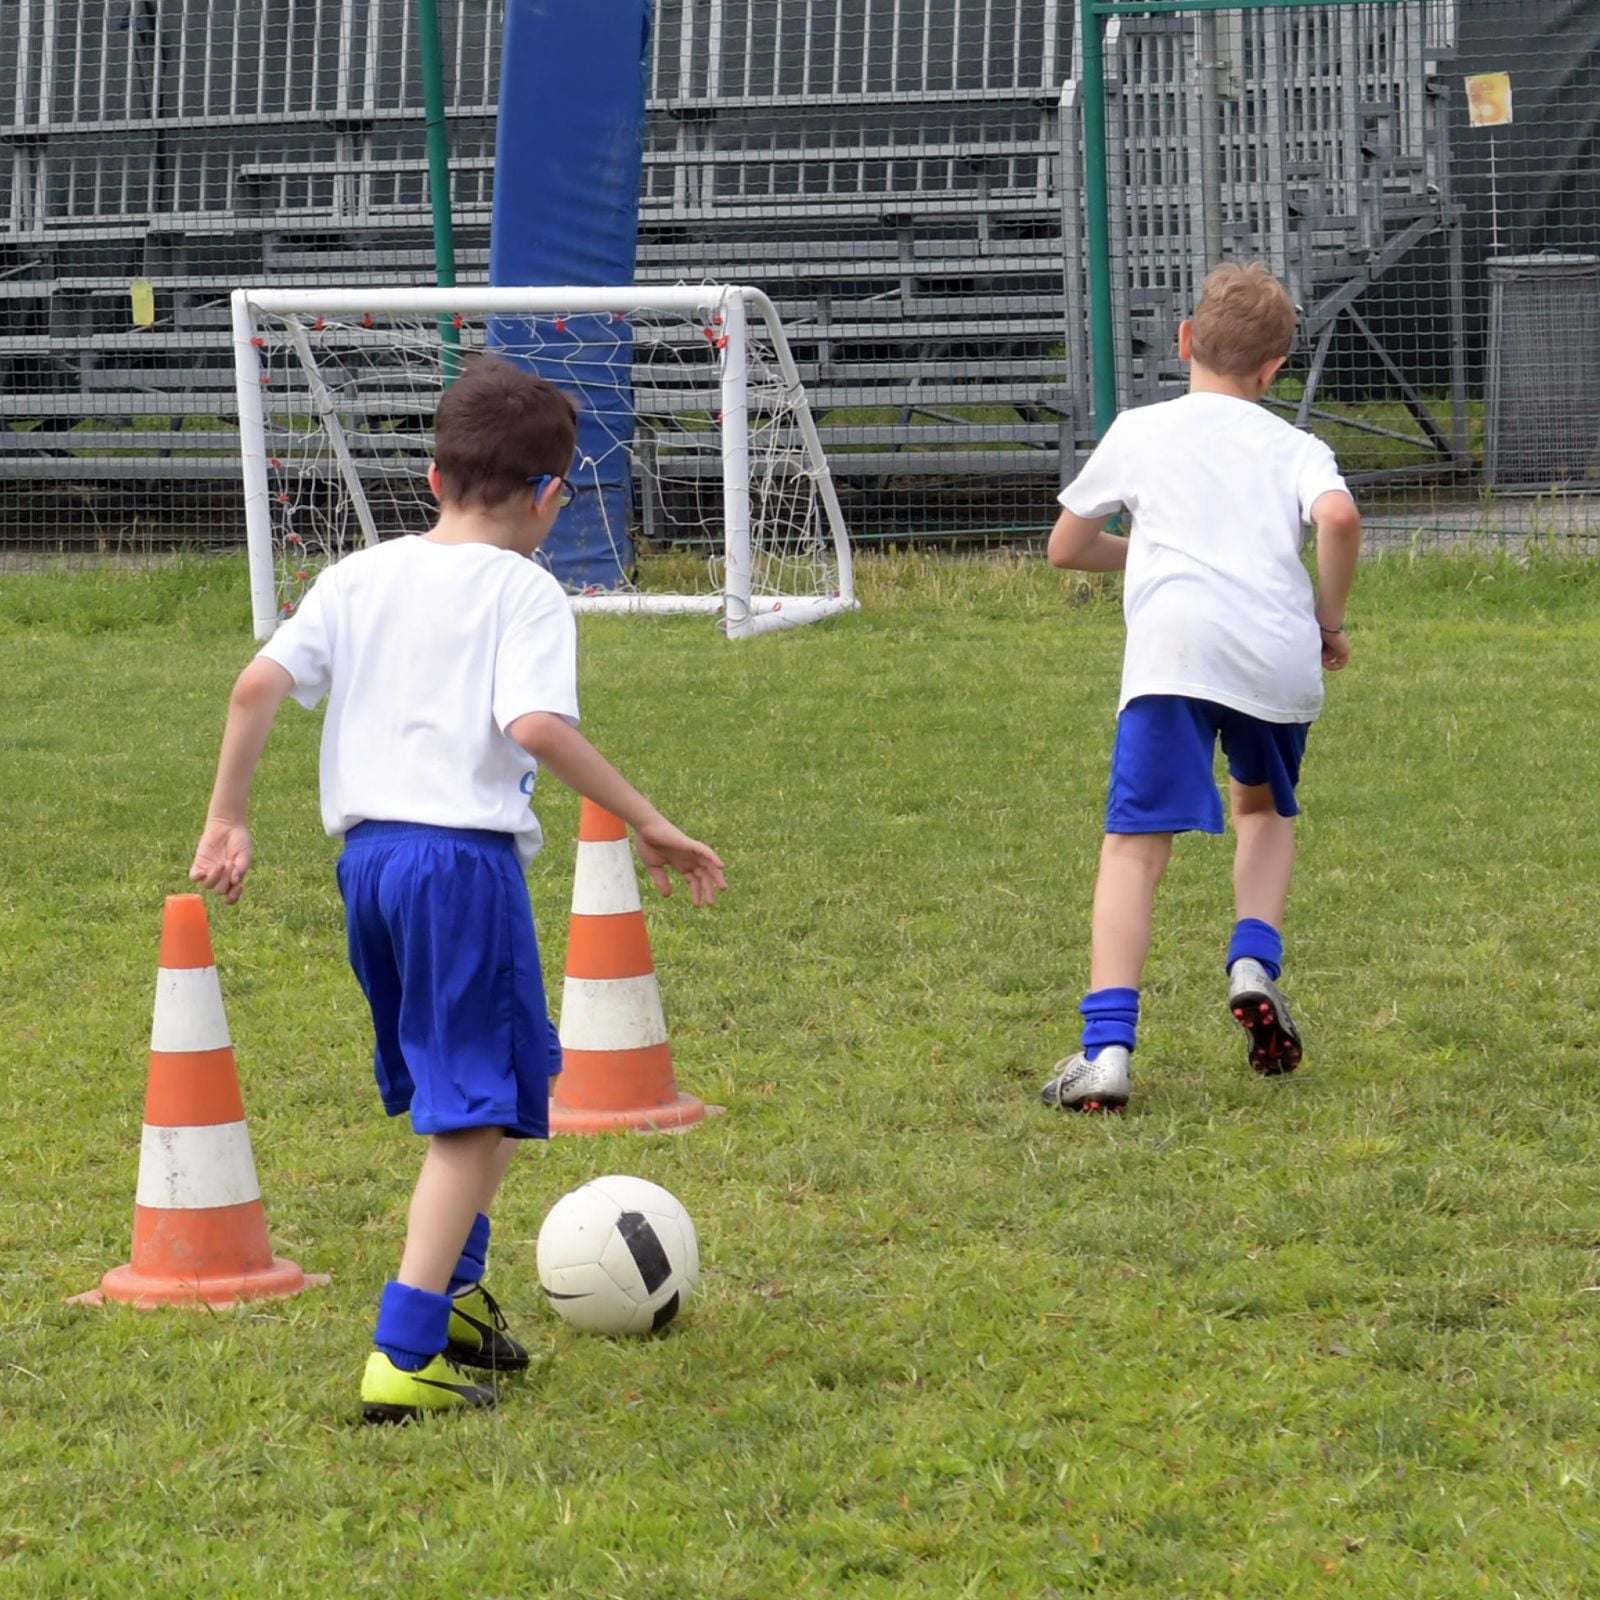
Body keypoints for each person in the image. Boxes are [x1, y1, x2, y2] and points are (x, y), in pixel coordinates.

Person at [189, 355, 726, 1421]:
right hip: (458, 866)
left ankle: (464, 1297)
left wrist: (228, 815)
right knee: (475, 1112)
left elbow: (257, 684)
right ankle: (404, 1347)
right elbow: (533, 726)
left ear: (432, 479)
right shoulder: (525, 589)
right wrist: (651, 819)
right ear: (550, 497)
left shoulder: (357, 575)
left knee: (487, 1083)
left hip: (371, 864)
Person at [1039, 261, 1361, 1114]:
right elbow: (1337, 518)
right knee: (1262, 810)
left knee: (1135, 848)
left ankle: (1106, 1050)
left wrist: (1145, 555)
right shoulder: (1297, 447)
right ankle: (1253, 960)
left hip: (1174, 655)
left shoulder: (1140, 430)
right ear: (1272, 372)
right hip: (1274, 652)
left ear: (1184, 341)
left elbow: (1066, 547)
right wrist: (1328, 619)